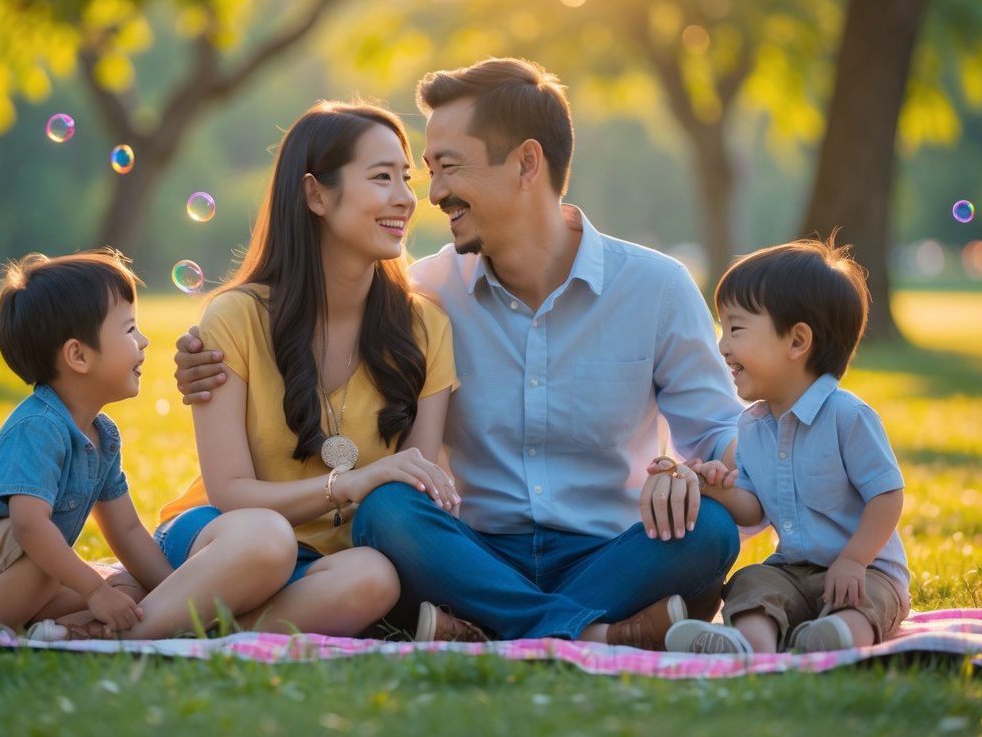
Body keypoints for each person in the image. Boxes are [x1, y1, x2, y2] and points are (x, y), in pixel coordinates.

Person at [175, 58, 744, 649]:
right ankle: (594, 632)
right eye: (425, 171)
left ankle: (512, 628)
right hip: (467, 555)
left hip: (609, 553)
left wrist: (686, 471)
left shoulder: (656, 287)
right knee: (388, 510)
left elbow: (722, 432)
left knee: (709, 528)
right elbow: (314, 322)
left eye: (446, 167)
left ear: (527, 163)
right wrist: (203, 360)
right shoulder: (421, 295)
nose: (432, 193)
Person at [153, 101, 461, 637]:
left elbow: (418, 481)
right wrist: (354, 483)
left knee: (375, 578)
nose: (406, 199)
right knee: (265, 540)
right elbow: (230, 492)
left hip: (330, 563)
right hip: (226, 537)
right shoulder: (238, 316)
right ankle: (122, 639)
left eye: (406, 178)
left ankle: (193, 628)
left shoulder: (426, 327)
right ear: (316, 194)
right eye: (382, 177)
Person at [0, 250, 299, 640]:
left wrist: (178, 592)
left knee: (127, 589)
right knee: (51, 555)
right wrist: (93, 590)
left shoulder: (102, 436)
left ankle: (62, 633)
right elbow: (29, 526)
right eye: (130, 329)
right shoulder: (39, 427)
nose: (145, 341)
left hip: (25, 568)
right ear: (78, 356)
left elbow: (129, 532)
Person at [665, 237, 910, 654]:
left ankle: (834, 638)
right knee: (752, 581)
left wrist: (853, 560)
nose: (722, 346)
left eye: (736, 328)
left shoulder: (847, 417)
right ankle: (750, 644)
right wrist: (713, 487)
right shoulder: (754, 425)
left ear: (797, 341)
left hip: (866, 569)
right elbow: (754, 508)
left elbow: (887, 496)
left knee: (865, 602)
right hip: (793, 572)